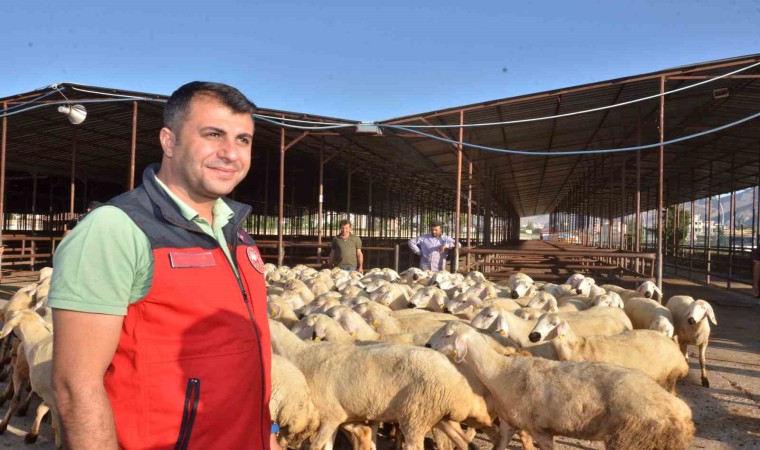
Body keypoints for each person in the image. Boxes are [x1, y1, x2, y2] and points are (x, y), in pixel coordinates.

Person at [49, 82, 279, 450]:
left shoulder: (236, 233)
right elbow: (76, 386)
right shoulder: (116, 229)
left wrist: (268, 437)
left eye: (243, 140)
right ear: (169, 141)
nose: (230, 153)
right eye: (213, 134)